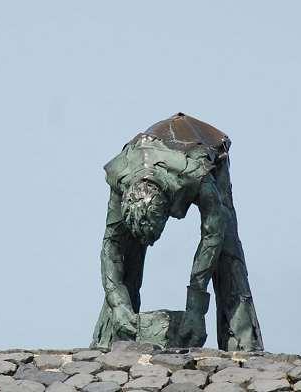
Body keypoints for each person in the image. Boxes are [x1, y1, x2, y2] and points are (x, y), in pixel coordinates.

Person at [91, 113, 264, 351]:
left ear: (166, 212)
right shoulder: (120, 179)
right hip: (144, 155)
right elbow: (111, 247)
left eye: (155, 234)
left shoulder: (197, 177)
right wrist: (117, 303)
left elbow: (212, 236)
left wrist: (196, 305)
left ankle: (243, 344)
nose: (151, 245)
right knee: (125, 256)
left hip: (204, 147)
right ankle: (112, 339)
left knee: (227, 252)